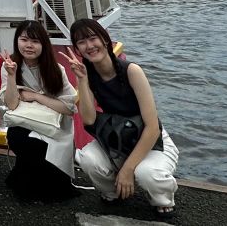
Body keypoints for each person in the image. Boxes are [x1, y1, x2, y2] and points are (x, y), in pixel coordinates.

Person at [66, 19, 179, 218]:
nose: (89, 46)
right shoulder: (89, 75)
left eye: (93, 38)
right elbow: (89, 120)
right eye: (82, 42)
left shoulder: (131, 71)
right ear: (77, 49)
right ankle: (113, 192)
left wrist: (127, 170)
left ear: (105, 40)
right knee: (87, 158)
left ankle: (162, 200)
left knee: (146, 174)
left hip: (151, 140)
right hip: (116, 138)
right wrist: (82, 80)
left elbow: (152, 127)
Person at [0, 20, 78, 201]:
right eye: (24, 39)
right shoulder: (10, 66)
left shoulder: (57, 70)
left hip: (53, 124)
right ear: (17, 41)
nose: (29, 46)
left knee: (39, 145)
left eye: (35, 41)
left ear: (44, 44)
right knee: (16, 136)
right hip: (27, 120)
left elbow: (69, 108)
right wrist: (11, 76)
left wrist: (37, 97)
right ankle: (28, 182)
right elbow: (11, 105)